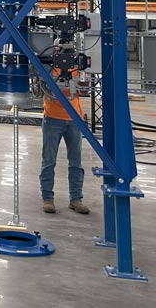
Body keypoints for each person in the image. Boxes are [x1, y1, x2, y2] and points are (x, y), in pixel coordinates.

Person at [40, 65, 90, 215]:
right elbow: (39, 88)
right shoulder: (47, 68)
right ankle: (47, 198)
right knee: (49, 161)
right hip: (52, 119)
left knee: (76, 162)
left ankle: (76, 199)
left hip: (74, 119)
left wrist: (83, 80)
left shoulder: (76, 68)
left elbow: (85, 90)